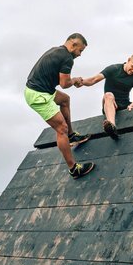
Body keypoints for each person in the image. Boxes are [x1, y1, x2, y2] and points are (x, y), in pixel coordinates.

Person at [24, 33, 95, 179]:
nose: (80, 55)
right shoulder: (67, 58)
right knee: (60, 128)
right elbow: (64, 84)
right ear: (73, 44)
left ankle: (71, 135)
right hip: (38, 95)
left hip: (41, 90)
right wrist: (74, 80)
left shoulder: (55, 50)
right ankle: (73, 169)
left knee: (64, 100)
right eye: (80, 51)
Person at [80, 52, 133, 139]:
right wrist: (80, 82)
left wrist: (132, 105)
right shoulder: (114, 69)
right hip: (111, 104)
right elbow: (93, 80)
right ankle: (112, 126)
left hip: (126, 105)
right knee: (108, 95)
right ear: (129, 60)